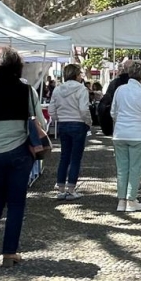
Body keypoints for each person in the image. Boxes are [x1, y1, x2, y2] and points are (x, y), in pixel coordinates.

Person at [0, 46, 45, 266]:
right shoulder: (26, 91)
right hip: (19, 153)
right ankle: (9, 253)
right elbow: (38, 121)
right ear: (17, 66)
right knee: (16, 203)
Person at [109, 61, 141, 212]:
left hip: (120, 133)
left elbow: (113, 112)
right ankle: (131, 199)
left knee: (122, 169)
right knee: (135, 168)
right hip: (138, 135)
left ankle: (121, 200)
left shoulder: (120, 90)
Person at [48, 64, 91, 201]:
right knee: (75, 158)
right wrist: (88, 122)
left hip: (63, 123)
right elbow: (84, 109)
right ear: (77, 75)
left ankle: (60, 188)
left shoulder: (58, 89)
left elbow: (51, 109)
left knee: (64, 156)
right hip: (78, 123)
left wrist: (57, 119)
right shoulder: (81, 89)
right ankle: (71, 189)